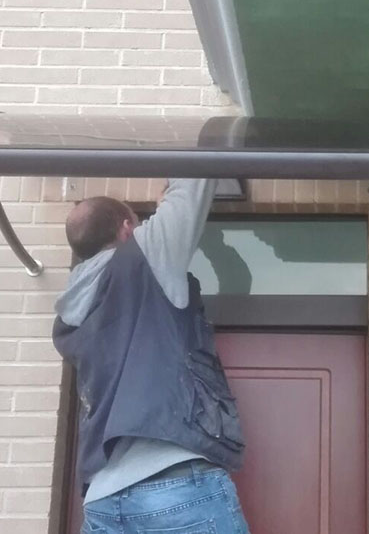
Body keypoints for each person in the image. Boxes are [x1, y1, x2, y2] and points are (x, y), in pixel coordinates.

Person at [53, 179, 250, 534]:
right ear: (127, 229)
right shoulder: (143, 256)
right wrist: (169, 201)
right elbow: (194, 181)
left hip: (101, 502)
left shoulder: (73, 313)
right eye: (139, 223)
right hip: (174, 486)